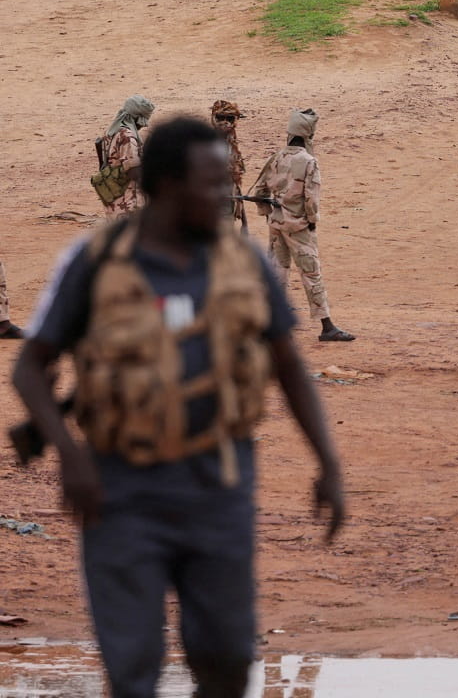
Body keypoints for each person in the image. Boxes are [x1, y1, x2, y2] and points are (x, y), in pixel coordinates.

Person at [10, 116, 345, 698]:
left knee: (227, 662)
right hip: (119, 492)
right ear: (166, 185)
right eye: (210, 184)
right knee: (132, 667)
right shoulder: (96, 261)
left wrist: (329, 463)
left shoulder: (243, 263)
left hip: (219, 486)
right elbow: (29, 367)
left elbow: (288, 365)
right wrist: (69, 455)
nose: (223, 196)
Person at [249, 108, 353, 343]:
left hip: (277, 224)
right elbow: (311, 199)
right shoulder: (308, 161)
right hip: (299, 227)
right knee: (311, 274)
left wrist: (269, 214)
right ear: (309, 135)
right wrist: (312, 222)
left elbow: (260, 191)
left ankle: (271, 324)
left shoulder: (276, 157)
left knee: (277, 272)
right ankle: (327, 326)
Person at [97, 95, 153, 214]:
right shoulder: (127, 137)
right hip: (128, 202)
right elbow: (133, 171)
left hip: (113, 196)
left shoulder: (112, 130)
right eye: (142, 121)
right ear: (137, 118)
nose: (143, 126)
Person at [210, 100, 248, 231]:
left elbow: (235, 182)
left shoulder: (231, 142)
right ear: (213, 118)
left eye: (230, 119)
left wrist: (244, 221)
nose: (225, 122)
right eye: (220, 118)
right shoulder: (206, 144)